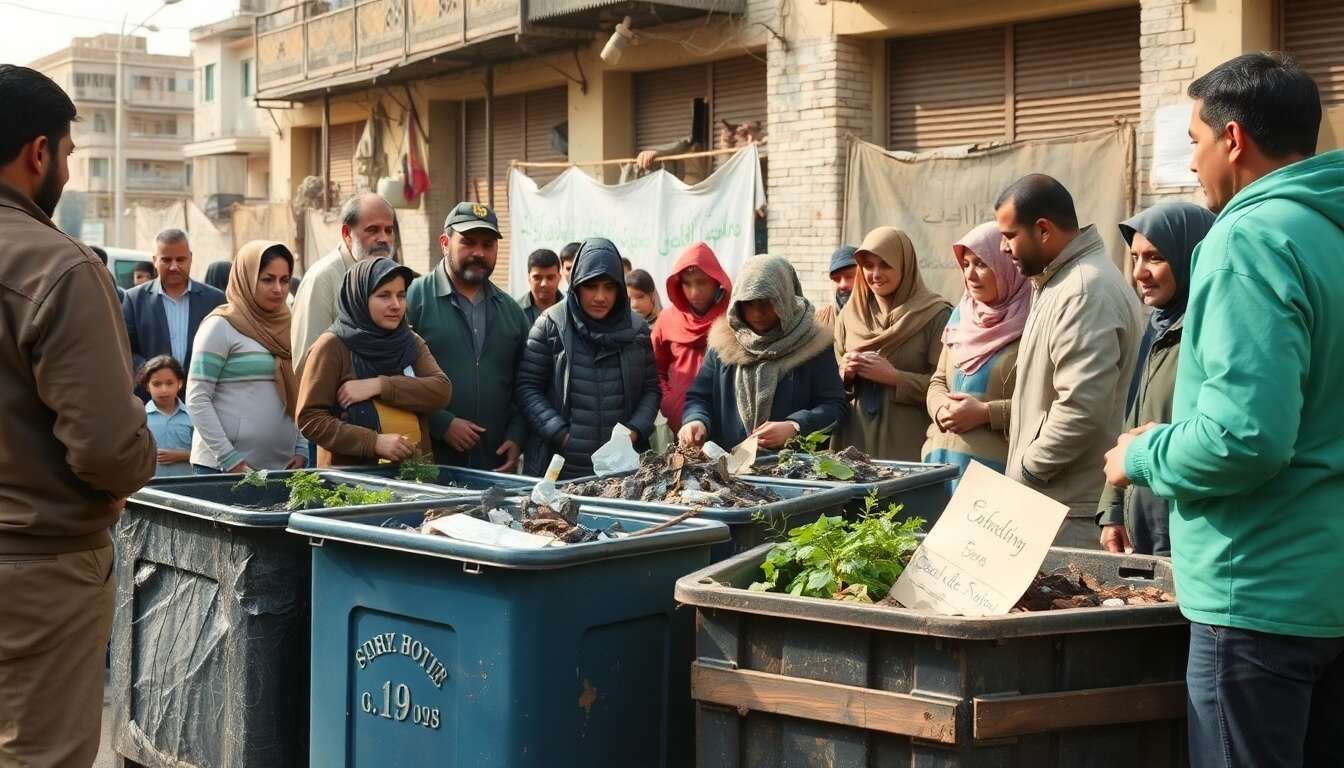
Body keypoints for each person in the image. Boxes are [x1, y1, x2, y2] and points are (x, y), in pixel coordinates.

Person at [1103, 53, 1344, 767]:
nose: (1195, 163)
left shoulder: (1247, 239)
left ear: (1233, 140)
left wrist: (1141, 454)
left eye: (1195, 142)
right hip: (1325, 590)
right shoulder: (1328, 231)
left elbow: (1245, 440)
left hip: (1256, 596)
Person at [0, 64, 156, 768]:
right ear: (39, 154)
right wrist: (127, 474)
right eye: (66, 153)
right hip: (37, 574)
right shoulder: (55, 267)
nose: (65, 168)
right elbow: (108, 447)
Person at [995, 174, 1141, 548]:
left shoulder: (1082, 290)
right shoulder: (1059, 282)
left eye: (1010, 235)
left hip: (1067, 506)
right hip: (1056, 500)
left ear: (1043, 230)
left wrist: (1029, 471)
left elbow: (1081, 406)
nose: (1003, 247)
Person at [1096, 202, 1214, 556]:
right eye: (1135, 257)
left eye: (1155, 258)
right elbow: (1131, 420)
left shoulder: (1208, 330)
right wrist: (1113, 509)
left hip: (1189, 531)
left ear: (1190, 256)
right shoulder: (1158, 325)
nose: (1139, 273)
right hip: (1144, 524)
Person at [517, 238, 660, 479]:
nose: (600, 297)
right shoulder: (552, 325)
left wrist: (634, 431)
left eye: (609, 287)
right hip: (560, 468)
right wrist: (560, 434)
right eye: (591, 286)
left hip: (621, 472)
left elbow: (651, 389)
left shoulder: (637, 332)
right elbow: (527, 387)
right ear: (576, 285)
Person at [407, 202, 529, 471]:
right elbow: (396, 374)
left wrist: (517, 436)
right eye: (469, 242)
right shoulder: (414, 298)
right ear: (444, 242)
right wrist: (441, 423)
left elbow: (527, 383)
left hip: (493, 465)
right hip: (428, 461)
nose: (478, 252)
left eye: (488, 244)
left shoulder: (512, 311)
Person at [678, 254, 846, 450]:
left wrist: (795, 427)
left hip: (795, 471)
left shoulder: (813, 342)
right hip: (728, 471)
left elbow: (834, 407)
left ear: (785, 298)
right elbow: (700, 397)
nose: (757, 313)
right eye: (749, 303)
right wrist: (696, 421)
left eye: (768, 302)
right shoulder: (724, 343)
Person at [297, 257, 452, 467]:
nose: (396, 305)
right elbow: (310, 419)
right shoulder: (332, 346)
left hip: (413, 479)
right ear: (359, 298)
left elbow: (441, 390)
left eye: (401, 295)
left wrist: (379, 385)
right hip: (351, 486)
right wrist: (374, 442)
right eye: (384, 296)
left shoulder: (409, 341)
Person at [187, 240, 309, 473]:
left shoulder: (289, 327)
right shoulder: (220, 326)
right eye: (267, 279)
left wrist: (301, 448)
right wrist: (229, 458)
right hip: (222, 469)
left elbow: (298, 393)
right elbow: (197, 399)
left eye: (284, 280)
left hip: (281, 468)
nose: (278, 289)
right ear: (246, 278)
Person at [833, 227, 952, 461]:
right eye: (868, 265)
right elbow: (828, 389)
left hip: (908, 444)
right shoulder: (849, 315)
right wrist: (845, 373)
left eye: (885, 264)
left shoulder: (935, 314)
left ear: (905, 265)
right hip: (852, 442)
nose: (875, 274)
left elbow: (946, 387)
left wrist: (895, 377)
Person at [921, 222, 1028, 478]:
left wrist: (985, 414)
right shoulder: (961, 315)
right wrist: (940, 408)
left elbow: (1044, 405)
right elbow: (938, 380)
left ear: (1007, 266)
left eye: (981, 264)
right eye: (966, 264)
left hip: (991, 478)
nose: (970, 274)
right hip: (936, 465)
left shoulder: (1030, 322)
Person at [290, 192, 398, 371]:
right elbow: (307, 365)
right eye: (373, 230)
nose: (384, 239)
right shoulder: (322, 280)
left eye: (389, 230)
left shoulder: (390, 276)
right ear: (347, 233)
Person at [122, 228, 226, 382]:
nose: (174, 267)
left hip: (201, 395)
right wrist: (151, 374)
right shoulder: (134, 299)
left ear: (190, 258)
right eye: (166, 260)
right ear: (154, 260)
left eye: (180, 260)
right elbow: (125, 348)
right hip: (152, 398)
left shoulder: (214, 299)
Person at [651, 242, 732, 433]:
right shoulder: (667, 319)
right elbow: (655, 369)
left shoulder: (732, 318)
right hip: (677, 423)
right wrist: (669, 401)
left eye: (701, 282)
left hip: (724, 423)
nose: (694, 292)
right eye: (687, 283)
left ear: (716, 280)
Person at [140, 355, 194, 477]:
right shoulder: (140, 418)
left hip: (186, 486)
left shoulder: (192, 417)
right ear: (147, 386)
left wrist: (182, 456)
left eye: (170, 383)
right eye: (157, 384)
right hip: (150, 488)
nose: (164, 390)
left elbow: (207, 455)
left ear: (179, 384)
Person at [814, 245, 857, 330]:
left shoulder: (882, 316)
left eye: (849, 276)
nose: (842, 285)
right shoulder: (821, 318)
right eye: (836, 279)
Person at [517, 247, 563, 326]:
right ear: (529, 278)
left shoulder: (572, 310)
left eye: (550, 277)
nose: (544, 284)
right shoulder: (514, 310)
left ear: (559, 277)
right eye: (537, 277)